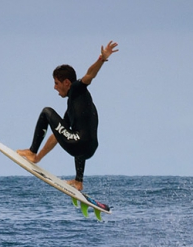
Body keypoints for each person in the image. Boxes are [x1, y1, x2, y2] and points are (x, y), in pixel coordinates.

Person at [17, 41, 118, 192]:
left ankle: (32, 151)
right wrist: (39, 160)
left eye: (56, 83)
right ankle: (78, 182)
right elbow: (58, 135)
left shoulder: (77, 88)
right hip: (90, 148)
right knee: (76, 134)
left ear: (66, 82)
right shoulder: (76, 105)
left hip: (80, 143)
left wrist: (101, 59)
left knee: (46, 112)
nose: (54, 87)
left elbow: (90, 75)